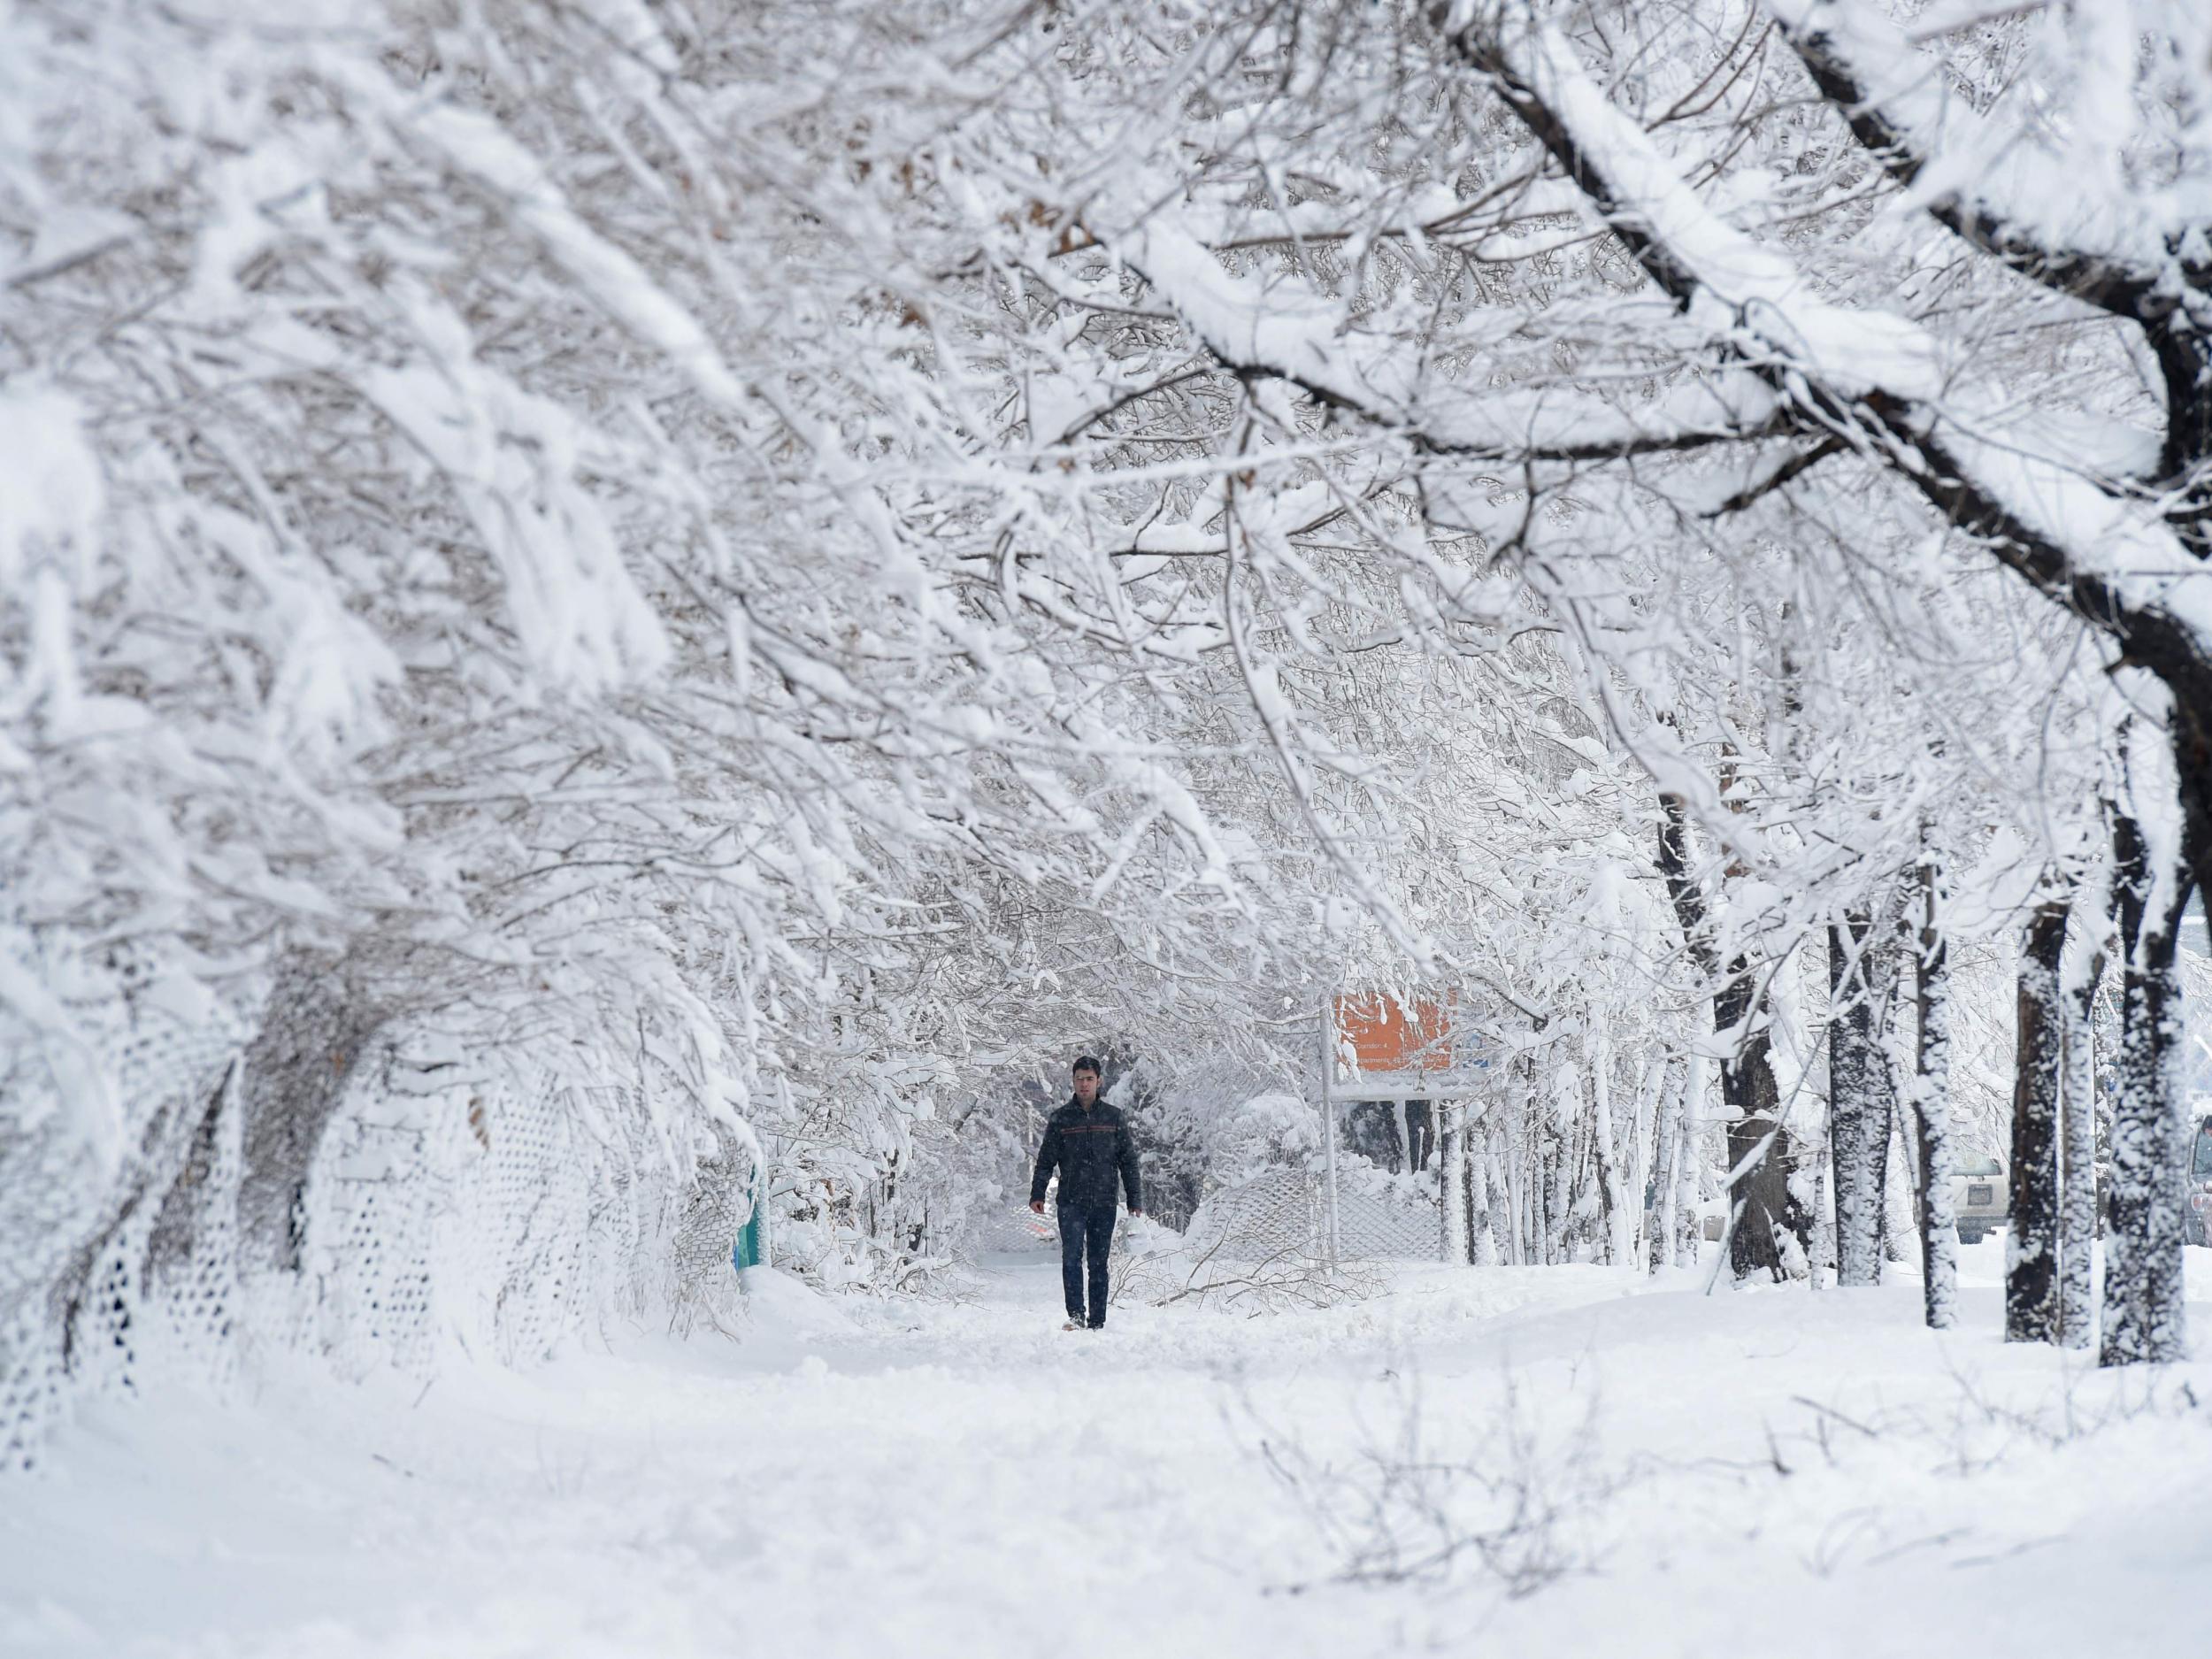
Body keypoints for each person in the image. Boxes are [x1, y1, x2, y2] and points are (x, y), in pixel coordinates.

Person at [1029, 1056, 1142, 1330]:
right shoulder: (1061, 1119)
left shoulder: (1113, 1117)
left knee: (1098, 1262)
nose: (1084, 1084)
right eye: (1079, 1079)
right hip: (1070, 1201)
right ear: (1073, 1081)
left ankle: (1098, 1320)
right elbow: (1046, 1159)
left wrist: (1134, 1198)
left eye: (1089, 1079)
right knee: (1071, 1258)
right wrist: (1038, 1193)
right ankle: (1076, 1316)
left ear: (1099, 1081)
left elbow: (1128, 1160)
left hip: (1104, 1201)